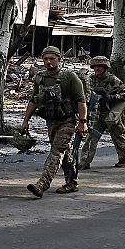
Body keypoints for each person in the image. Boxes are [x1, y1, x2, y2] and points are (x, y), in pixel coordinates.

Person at [21, 46, 88, 198]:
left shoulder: (69, 77)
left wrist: (82, 122)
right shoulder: (40, 77)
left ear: (59, 59)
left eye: (52, 58)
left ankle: (42, 184)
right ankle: (72, 183)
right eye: (45, 59)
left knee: (56, 152)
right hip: (51, 122)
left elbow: (81, 101)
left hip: (68, 121)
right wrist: (25, 121)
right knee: (65, 153)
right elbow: (34, 100)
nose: (48, 62)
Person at [78, 56, 125, 169]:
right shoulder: (91, 79)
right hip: (97, 114)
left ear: (105, 67)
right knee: (91, 138)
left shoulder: (113, 80)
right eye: (95, 66)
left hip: (111, 113)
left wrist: (111, 97)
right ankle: (84, 162)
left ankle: (123, 158)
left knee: (117, 136)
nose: (97, 68)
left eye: (100, 66)